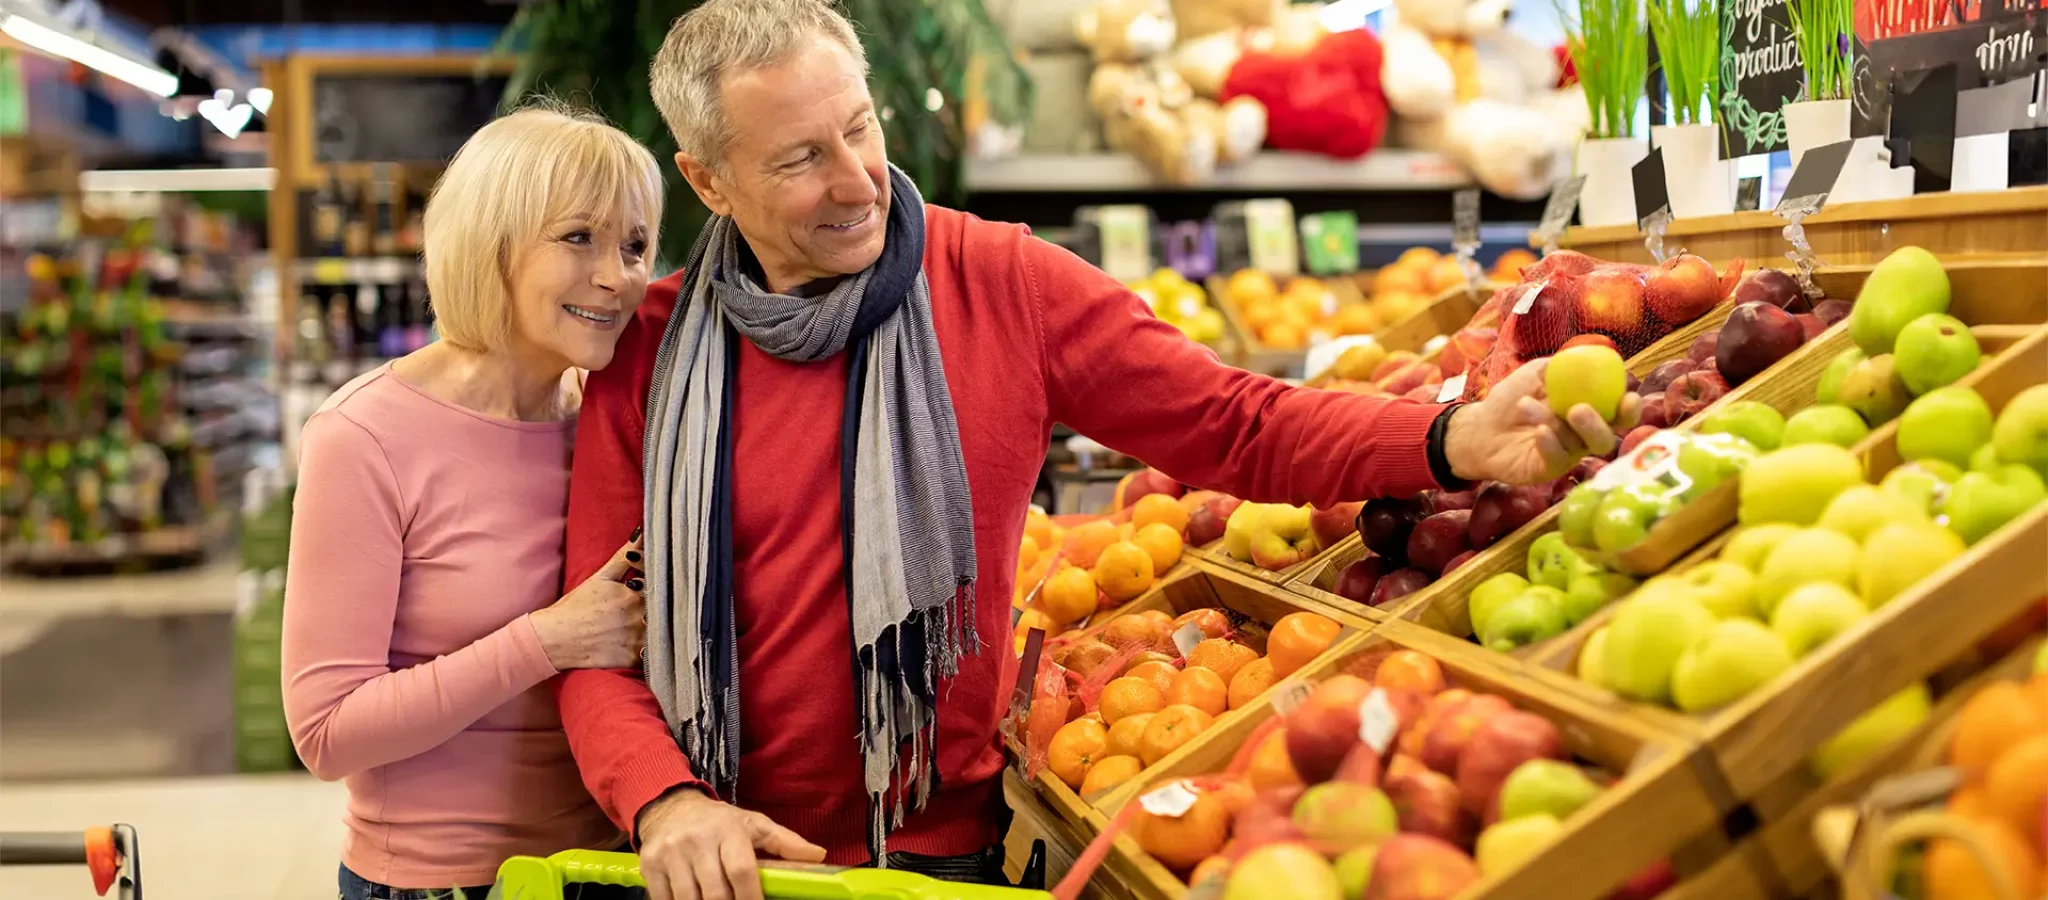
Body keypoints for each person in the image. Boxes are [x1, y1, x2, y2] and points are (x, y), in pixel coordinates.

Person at [558, 2, 1633, 899]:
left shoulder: (1001, 285)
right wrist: (665, 799)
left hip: (942, 858)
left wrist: (1447, 435)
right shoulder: (647, 355)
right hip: (714, 866)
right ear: (707, 183)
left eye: (860, 127)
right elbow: (593, 637)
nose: (856, 180)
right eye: (799, 158)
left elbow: (1233, 422)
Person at [280, 105, 666, 900]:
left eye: (634, 245)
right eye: (577, 238)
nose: (619, 276)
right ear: (493, 244)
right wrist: (546, 641)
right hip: (439, 882)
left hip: (608, 861)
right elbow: (325, 732)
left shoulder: (609, 420)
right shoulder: (365, 437)